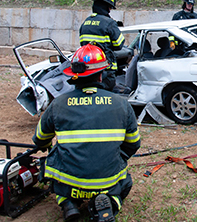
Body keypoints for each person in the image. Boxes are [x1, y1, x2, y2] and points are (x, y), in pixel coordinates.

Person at [32, 43, 141, 222]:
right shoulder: (122, 104)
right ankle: (110, 203)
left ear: (73, 74)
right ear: (101, 74)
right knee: (125, 182)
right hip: (108, 180)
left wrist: (47, 147)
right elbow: (133, 144)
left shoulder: (58, 104)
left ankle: (68, 204)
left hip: (69, 181)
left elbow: (40, 140)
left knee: (51, 160)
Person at [79, 0, 125, 92]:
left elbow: (82, 44)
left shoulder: (85, 23)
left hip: (87, 68)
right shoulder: (109, 23)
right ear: (107, 7)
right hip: (105, 69)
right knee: (105, 96)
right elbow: (119, 44)